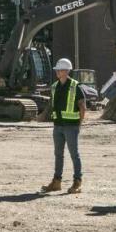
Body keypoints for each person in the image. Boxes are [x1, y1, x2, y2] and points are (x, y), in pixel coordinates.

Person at [41, 58, 86, 194]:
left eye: (59, 70)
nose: (57, 72)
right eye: (57, 70)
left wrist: (79, 123)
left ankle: (77, 182)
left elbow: (82, 106)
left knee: (74, 154)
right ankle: (56, 182)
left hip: (71, 126)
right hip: (58, 125)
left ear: (66, 71)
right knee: (58, 154)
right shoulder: (54, 86)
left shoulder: (75, 86)